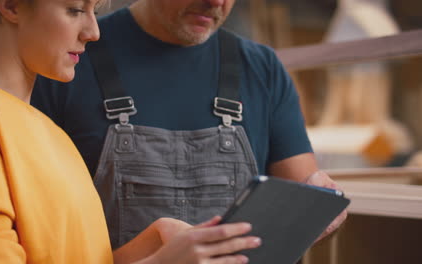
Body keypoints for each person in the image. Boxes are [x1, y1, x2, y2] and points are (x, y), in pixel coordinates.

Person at [0, 0, 261, 263]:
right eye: (75, 9)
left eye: (94, 11)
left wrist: (153, 244)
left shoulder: (52, 134)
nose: (93, 32)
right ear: (10, 4)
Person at [32, 0, 347, 249]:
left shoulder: (262, 69)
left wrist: (320, 211)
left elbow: (302, 200)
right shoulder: (70, 59)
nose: (216, 1)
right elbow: (41, 227)